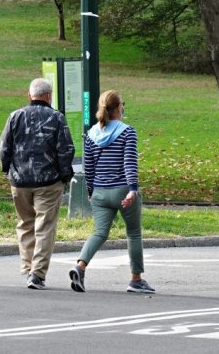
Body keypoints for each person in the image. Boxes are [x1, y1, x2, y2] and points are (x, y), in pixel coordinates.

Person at [69, 90, 154, 294]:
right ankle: (136, 280)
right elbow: (129, 163)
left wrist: (90, 190)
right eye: (122, 104)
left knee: (99, 233)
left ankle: (80, 267)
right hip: (123, 190)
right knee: (133, 233)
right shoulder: (127, 132)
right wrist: (132, 190)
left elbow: (88, 166)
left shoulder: (91, 134)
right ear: (118, 108)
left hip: (99, 191)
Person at [0, 78, 75, 290]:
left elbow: (4, 147)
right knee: (45, 227)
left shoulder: (15, 116)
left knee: (25, 224)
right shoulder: (57, 118)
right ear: (49, 96)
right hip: (48, 181)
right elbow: (66, 149)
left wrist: (9, 171)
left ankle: (27, 267)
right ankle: (37, 274)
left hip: (20, 181)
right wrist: (64, 175)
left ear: (29, 94)